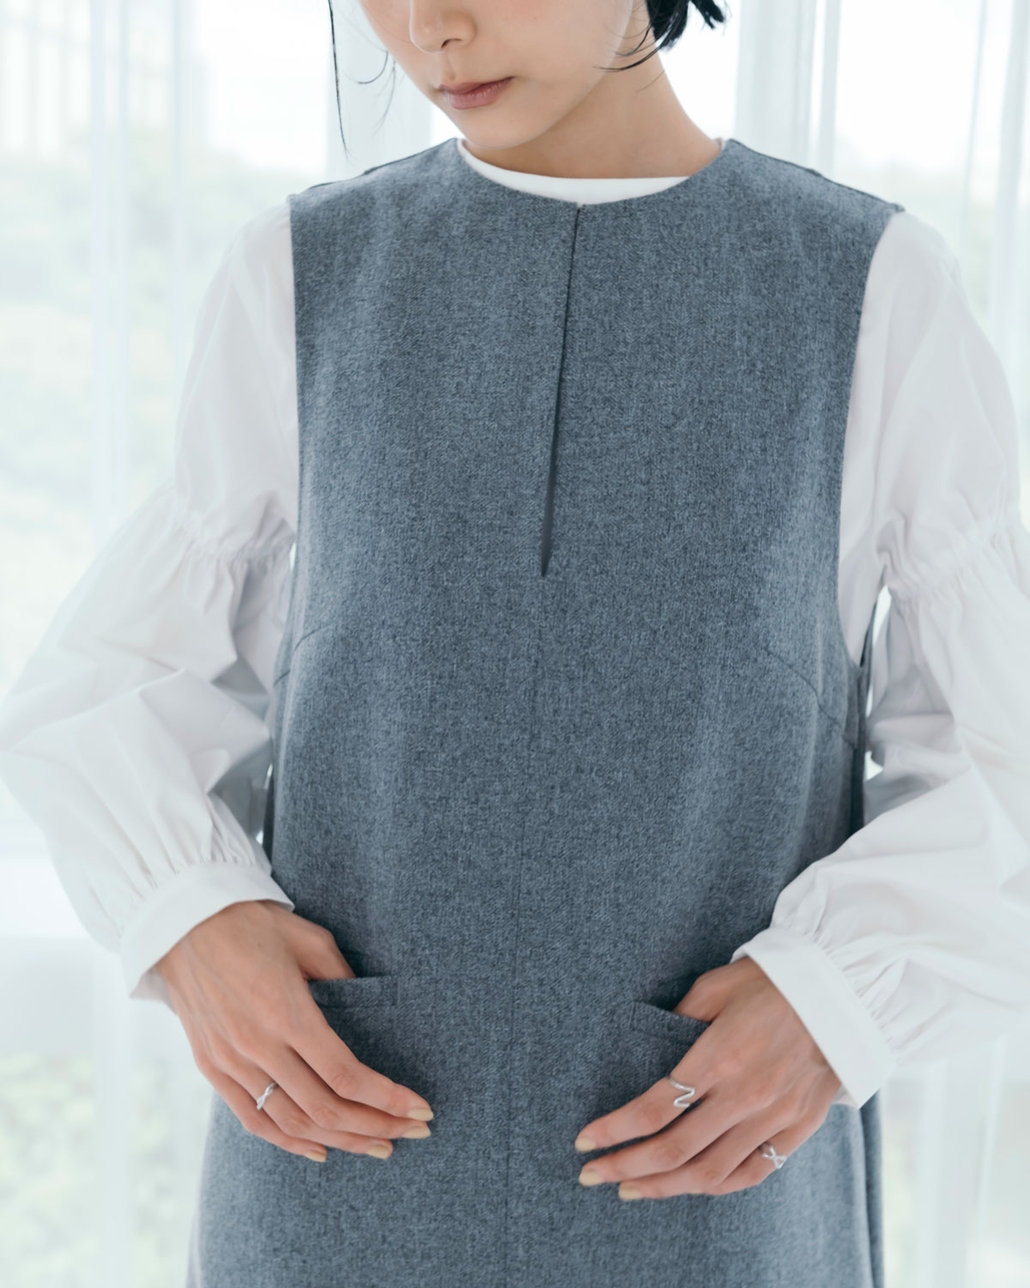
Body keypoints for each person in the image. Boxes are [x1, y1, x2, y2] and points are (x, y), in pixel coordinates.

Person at [2, 0, 1030, 1284]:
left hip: (715, 1199)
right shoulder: (301, 273)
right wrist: (191, 919)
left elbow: (999, 756)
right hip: (332, 1194)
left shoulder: (872, 288)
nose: (430, 26)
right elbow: (114, 686)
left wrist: (838, 1000)